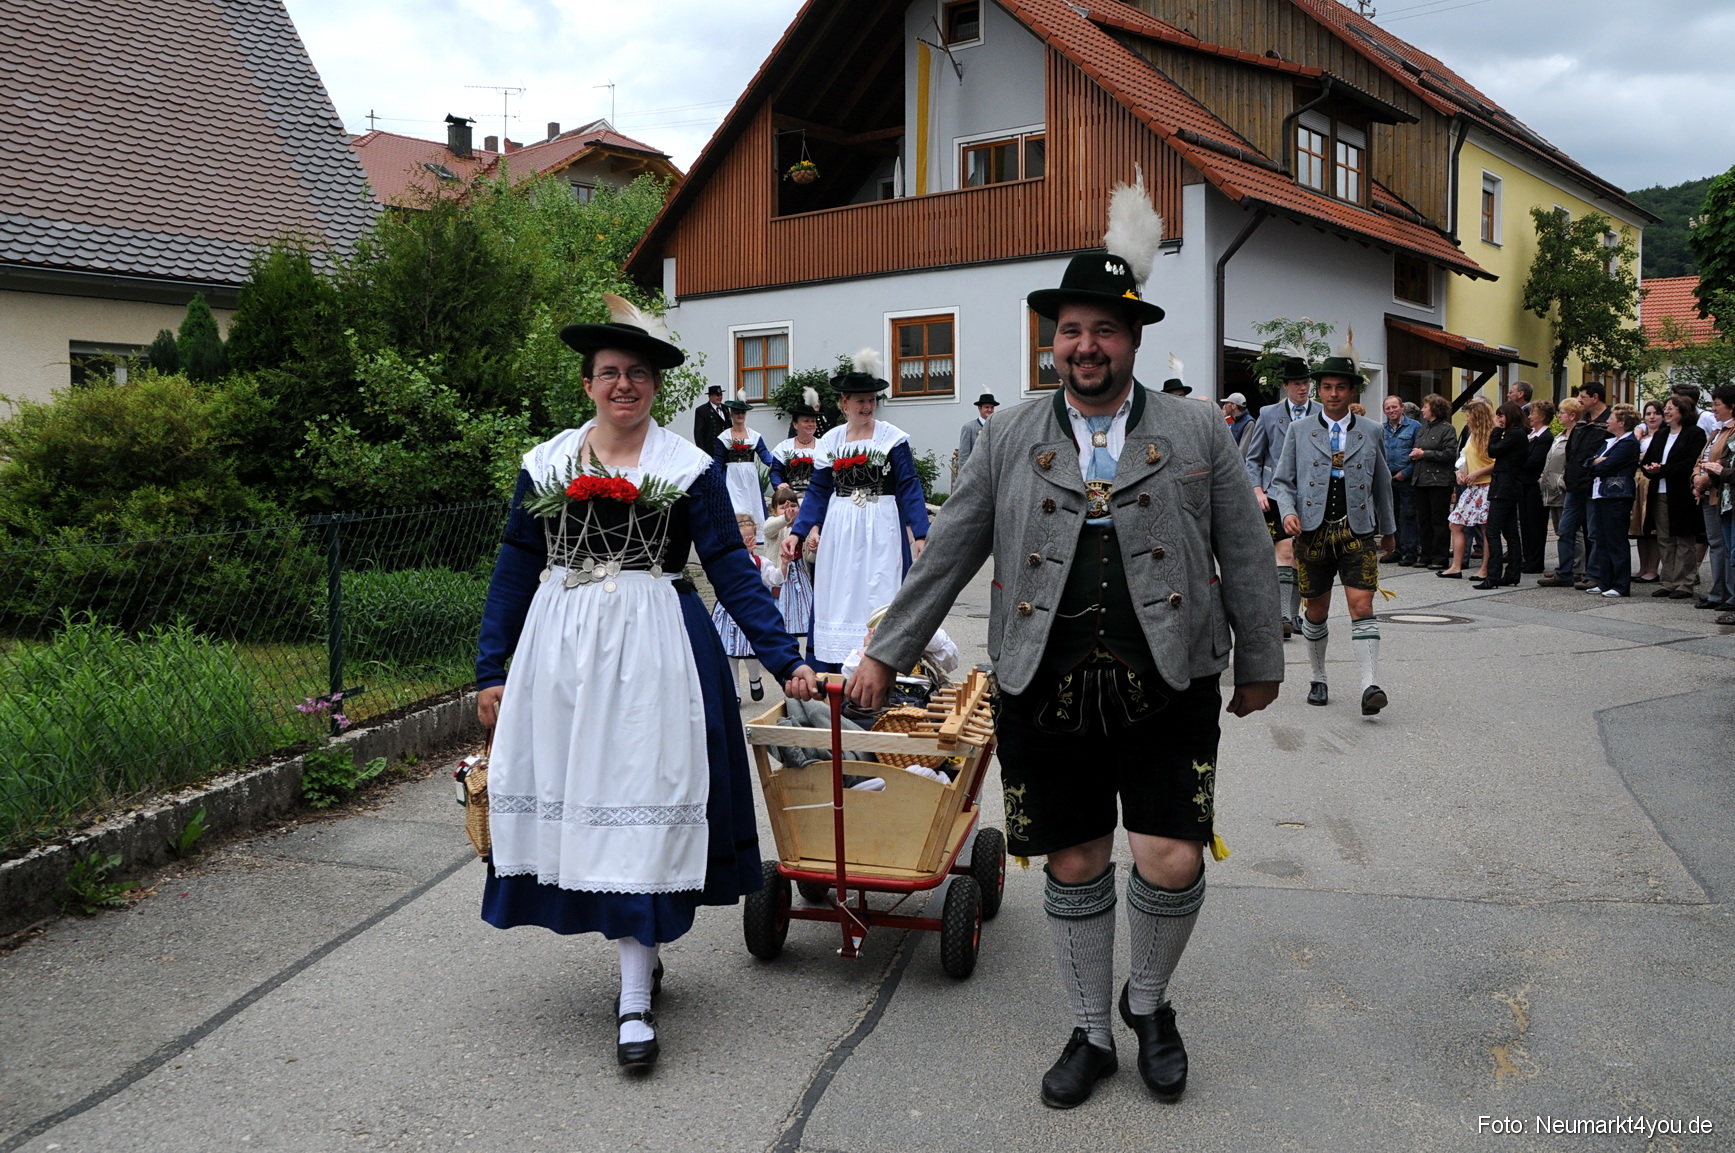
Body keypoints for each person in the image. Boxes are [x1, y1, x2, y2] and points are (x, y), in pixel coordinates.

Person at [847, 237, 1283, 1110]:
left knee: (1169, 856)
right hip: (1039, 682)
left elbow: (1243, 544)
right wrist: (885, 648)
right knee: (1075, 860)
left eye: (1104, 332)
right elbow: (952, 549)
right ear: (1053, 342)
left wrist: (1262, 655)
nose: (1086, 346)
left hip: (1172, 675)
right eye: (1070, 331)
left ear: (1130, 338)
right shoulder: (1007, 433)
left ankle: (1147, 1004)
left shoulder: (1196, 427)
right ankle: (1091, 1029)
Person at [474, 304, 817, 1072]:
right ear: (588, 383)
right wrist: (491, 668)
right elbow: (513, 567)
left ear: (655, 385)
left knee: (640, 810)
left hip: (653, 650)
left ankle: (634, 995)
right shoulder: (548, 463)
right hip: (559, 655)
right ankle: (639, 960)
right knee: (584, 810)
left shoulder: (682, 467)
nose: (621, 385)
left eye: (635, 374)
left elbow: (729, 566)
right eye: (608, 373)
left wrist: (782, 652)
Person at [783, 351, 930, 673]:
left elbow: (908, 484)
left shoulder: (891, 437)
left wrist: (920, 533)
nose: (866, 407)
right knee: (838, 593)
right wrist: (798, 531)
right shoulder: (831, 440)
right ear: (844, 403)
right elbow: (820, 490)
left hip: (881, 526)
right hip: (840, 529)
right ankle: (833, 672)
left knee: (880, 590)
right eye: (860, 401)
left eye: (871, 400)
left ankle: (881, 666)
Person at [1269, 355, 1395, 713]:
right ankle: (1318, 676)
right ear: (1319, 390)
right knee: (1317, 611)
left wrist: (1388, 530)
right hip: (1312, 532)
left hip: (1358, 532)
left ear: (1352, 390)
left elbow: (1382, 483)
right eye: (1327, 387)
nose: (1333, 393)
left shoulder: (1371, 430)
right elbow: (1282, 481)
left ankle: (1370, 684)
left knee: (1362, 605)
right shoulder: (1300, 430)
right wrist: (1289, 512)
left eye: (1341, 387)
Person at [1241, 357, 1320, 635]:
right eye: (1297, 383)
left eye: (1306, 383)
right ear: (1286, 386)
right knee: (1285, 550)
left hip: (1311, 495)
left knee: (1302, 555)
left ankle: (1296, 615)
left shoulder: (1321, 412)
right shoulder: (1268, 413)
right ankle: (1283, 615)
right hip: (1276, 492)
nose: (1303, 388)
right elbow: (1254, 457)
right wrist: (1257, 489)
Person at [1540, 383, 1610, 587]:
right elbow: (1571, 452)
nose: (1579, 400)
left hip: (1593, 485)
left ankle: (1593, 574)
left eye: (1582, 397)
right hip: (1574, 485)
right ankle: (1565, 572)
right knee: (1565, 529)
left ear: (1595, 397)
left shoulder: (1608, 421)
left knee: (1593, 532)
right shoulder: (1582, 422)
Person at [712, 513, 785, 702]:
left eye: (750, 538)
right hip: (728, 612)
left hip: (750, 611)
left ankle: (754, 679)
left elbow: (776, 578)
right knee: (729, 653)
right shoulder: (725, 561)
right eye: (742, 539)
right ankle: (735, 690)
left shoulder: (760, 562)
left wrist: (784, 564)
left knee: (751, 651)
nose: (747, 543)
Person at [1641, 394, 1708, 601]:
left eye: (1671, 408)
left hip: (1682, 494)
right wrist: (1651, 469)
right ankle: (1668, 581)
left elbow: (1690, 463)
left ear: (1683, 411)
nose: (1667, 412)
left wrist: (1662, 469)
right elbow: (1649, 460)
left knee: (1684, 539)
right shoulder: (1661, 434)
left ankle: (1684, 583)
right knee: (1665, 538)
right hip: (1659, 491)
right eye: (1666, 408)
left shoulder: (1694, 434)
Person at [1585, 404, 1640, 597]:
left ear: (1622, 423)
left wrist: (1597, 463)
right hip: (1601, 494)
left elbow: (1606, 466)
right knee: (1602, 540)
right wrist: (1595, 462)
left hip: (1616, 495)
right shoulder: (1610, 442)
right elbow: (1589, 461)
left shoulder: (1629, 443)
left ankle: (1620, 584)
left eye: (1611, 419)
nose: (1607, 421)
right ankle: (1605, 580)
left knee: (1615, 540)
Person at [1692, 385, 1735, 623]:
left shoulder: (1732, 430)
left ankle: (1728, 595)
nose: (1713, 409)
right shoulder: (1717, 430)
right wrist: (1696, 479)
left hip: (1721, 492)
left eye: (1717, 404)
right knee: (1718, 545)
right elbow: (1702, 458)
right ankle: (1718, 592)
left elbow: (1720, 463)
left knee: (1728, 548)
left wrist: (1705, 479)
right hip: (1712, 492)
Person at [1440, 400, 1494, 579]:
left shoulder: (1492, 434)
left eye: (1469, 415)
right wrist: (1460, 473)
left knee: (1486, 528)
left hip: (1487, 485)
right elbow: (1463, 457)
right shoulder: (1472, 435)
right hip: (1472, 486)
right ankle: (1456, 566)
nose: (1467, 419)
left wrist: (1477, 472)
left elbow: (1497, 462)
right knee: (1455, 524)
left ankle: (1485, 569)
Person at [1475, 402, 1527, 588]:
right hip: (1507, 485)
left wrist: (1495, 430)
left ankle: (1494, 575)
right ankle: (1512, 573)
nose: (1499, 420)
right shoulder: (1517, 434)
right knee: (1510, 531)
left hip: (1504, 486)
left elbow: (1493, 450)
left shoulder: (1515, 434)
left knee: (1493, 531)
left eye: (1502, 416)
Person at [762, 485, 815, 656]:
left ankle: (805, 651)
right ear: (774, 511)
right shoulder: (775, 526)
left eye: (793, 506)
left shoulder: (803, 529)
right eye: (783, 507)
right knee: (782, 616)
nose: (790, 510)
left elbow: (810, 559)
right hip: (780, 576)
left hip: (800, 576)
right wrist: (784, 518)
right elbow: (768, 529)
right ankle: (785, 652)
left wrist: (814, 549)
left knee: (805, 614)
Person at [716, 392, 777, 537]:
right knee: (734, 504)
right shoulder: (724, 437)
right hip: (732, 476)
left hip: (749, 477)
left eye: (742, 412)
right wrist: (714, 479)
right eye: (737, 412)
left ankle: (755, 534)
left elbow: (765, 455)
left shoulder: (754, 436)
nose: (740, 415)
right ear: (731, 414)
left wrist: (779, 466)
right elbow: (718, 461)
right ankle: (735, 534)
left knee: (752, 503)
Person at [1410, 393, 1458, 570]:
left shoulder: (1447, 429)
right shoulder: (1423, 429)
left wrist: (1425, 454)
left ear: (1434, 409)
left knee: (1438, 520)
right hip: (1421, 479)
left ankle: (1440, 556)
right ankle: (1426, 554)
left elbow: (1450, 454)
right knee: (1423, 520)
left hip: (1439, 481)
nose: (1422, 410)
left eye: (1425, 407)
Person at [1380, 394, 1422, 565]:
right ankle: (1397, 550)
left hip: (1406, 477)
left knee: (1410, 515)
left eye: (1394, 407)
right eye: (1388, 408)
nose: (1391, 411)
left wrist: (1405, 472)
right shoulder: (1381, 429)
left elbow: (1419, 453)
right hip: (1388, 478)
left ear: (1402, 408)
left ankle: (1411, 551)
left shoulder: (1415, 427)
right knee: (1393, 515)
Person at [1518, 399, 1556, 573]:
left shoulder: (1546, 437)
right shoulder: (1531, 434)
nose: (1530, 417)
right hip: (1525, 484)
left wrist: (1516, 462)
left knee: (1535, 523)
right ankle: (1527, 557)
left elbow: (1535, 460)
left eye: (1533, 413)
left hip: (1535, 485)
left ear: (1542, 416)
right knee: (1525, 522)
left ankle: (1535, 560)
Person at [1632, 400, 1664, 583]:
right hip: (1637, 480)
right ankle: (1643, 567)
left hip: (1652, 481)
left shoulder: (1664, 435)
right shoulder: (1640, 435)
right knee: (1639, 528)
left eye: (1656, 413)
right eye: (1649, 413)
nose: (1652, 417)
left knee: (1652, 528)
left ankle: (1653, 568)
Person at [770, 389, 824, 497]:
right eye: (806, 421)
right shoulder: (784, 447)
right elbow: (775, 471)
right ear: (795, 425)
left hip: (817, 496)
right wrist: (779, 485)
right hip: (791, 498)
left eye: (813, 421)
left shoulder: (824, 446)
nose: (811, 424)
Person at [959, 392, 999, 473]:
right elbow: (964, 454)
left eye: (992, 407)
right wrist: (964, 474)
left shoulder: (998, 427)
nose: (990, 410)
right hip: (975, 471)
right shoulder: (969, 427)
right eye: (987, 407)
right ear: (980, 408)